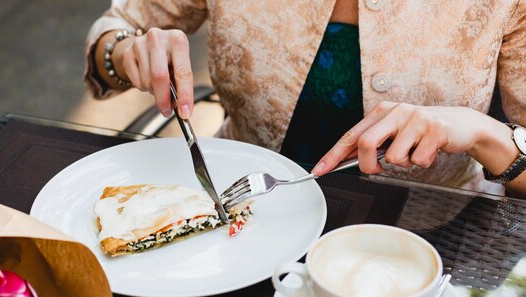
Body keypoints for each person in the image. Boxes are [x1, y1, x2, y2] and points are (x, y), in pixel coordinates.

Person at [84, 0, 526, 197]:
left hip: (428, 242)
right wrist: (127, 52)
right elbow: (117, 28)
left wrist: (486, 133)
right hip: (240, 218)